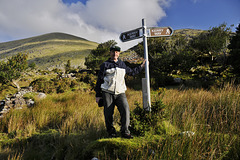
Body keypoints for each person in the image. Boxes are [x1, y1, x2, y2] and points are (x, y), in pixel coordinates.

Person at [95, 45, 146, 139]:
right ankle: (111, 133)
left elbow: (132, 72)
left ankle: (125, 132)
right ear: (110, 53)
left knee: (125, 110)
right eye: (113, 52)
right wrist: (98, 95)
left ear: (119, 53)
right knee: (108, 113)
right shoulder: (105, 65)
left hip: (120, 92)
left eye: (117, 52)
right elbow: (100, 80)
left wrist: (142, 66)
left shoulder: (122, 64)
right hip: (107, 92)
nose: (115, 53)